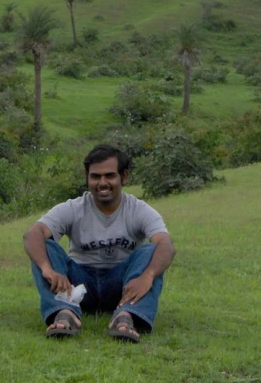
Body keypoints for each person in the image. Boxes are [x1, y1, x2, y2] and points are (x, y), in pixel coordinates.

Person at [23, 144, 176, 342]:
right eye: (95, 176)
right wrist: (47, 269)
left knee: (152, 250)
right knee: (45, 246)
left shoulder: (138, 210)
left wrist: (148, 276)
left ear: (124, 176)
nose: (102, 183)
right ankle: (65, 312)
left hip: (122, 286)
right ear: (87, 177)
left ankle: (127, 315)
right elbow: (32, 235)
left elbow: (166, 244)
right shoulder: (73, 208)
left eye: (110, 176)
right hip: (77, 285)